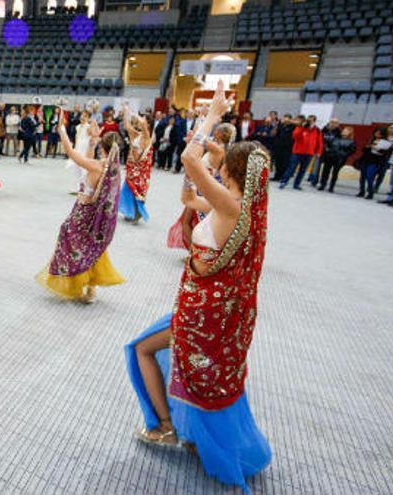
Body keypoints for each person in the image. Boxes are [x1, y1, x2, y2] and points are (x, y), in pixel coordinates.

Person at [125, 82, 272, 493]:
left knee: (140, 348)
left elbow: (188, 158)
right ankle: (190, 433)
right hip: (212, 316)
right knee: (199, 374)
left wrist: (213, 114)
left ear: (233, 169)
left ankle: (167, 428)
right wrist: (209, 163)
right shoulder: (243, 209)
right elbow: (190, 199)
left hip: (198, 317)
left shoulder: (229, 204)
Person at [37, 122, 124, 303]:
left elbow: (71, 153)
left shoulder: (97, 166)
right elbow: (89, 162)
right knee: (91, 246)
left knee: (70, 239)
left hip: (83, 212)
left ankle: (75, 283)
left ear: (104, 147)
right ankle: (91, 288)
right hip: (97, 217)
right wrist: (93, 142)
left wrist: (62, 130)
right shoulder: (114, 169)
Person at [167, 123, 236, 251]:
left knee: (188, 221)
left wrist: (206, 118)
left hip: (203, 187)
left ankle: (196, 253)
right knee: (190, 220)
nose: (214, 131)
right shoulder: (220, 148)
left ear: (219, 134)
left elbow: (197, 139)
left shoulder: (218, 149)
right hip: (204, 184)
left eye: (216, 130)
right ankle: (195, 252)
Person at [118, 105, 153, 224]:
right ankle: (129, 211)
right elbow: (127, 126)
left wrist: (132, 113)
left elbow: (143, 125)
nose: (141, 121)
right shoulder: (136, 135)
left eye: (145, 121)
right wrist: (126, 114)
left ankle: (137, 213)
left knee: (137, 191)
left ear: (148, 125)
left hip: (140, 171)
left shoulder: (148, 138)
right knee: (127, 189)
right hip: (132, 168)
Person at [279, 115, 322, 190]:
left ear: (314, 122)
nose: (309, 122)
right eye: (308, 120)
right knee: (291, 168)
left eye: (311, 121)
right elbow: (295, 136)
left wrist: (318, 152)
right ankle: (284, 182)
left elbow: (319, 142)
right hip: (297, 152)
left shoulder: (317, 130)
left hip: (309, 153)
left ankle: (297, 184)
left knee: (303, 170)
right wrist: (302, 127)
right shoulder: (300, 127)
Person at [356, 127, 393, 199]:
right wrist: (369, 146)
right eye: (376, 133)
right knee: (362, 176)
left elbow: (385, 153)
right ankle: (361, 191)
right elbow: (363, 149)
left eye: (379, 134)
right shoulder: (371, 139)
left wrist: (376, 148)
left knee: (370, 176)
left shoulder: (386, 142)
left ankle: (370, 192)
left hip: (375, 161)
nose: (377, 135)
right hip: (366, 159)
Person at [318, 125, 355, 193]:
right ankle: (322, 185)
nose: (344, 132)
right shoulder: (336, 138)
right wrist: (328, 150)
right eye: (344, 130)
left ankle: (331, 187)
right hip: (330, 156)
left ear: (350, 133)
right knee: (325, 171)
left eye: (346, 131)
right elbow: (328, 144)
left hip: (339, 159)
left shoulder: (351, 141)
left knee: (335, 173)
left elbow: (351, 151)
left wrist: (343, 154)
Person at [65, 110, 91, 193]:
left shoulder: (89, 127)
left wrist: (89, 152)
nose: (82, 117)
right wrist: (74, 149)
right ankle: (76, 187)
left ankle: (84, 187)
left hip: (85, 149)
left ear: (88, 118)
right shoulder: (78, 127)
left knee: (84, 169)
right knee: (75, 168)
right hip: (78, 148)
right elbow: (77, 139)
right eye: (82, 115)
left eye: (85, 116)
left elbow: (91, 139)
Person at [314, 118, 341, 186]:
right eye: (332, 122)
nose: (333, 124)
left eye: (335, 123)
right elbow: (319, 139)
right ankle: (314, 180)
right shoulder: (324, 130)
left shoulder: (339, 132)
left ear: (338, 124)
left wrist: (331, 148)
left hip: (331, 153)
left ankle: (323, 182)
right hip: (321, 150)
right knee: (317, 166)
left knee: (326, 168)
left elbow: (338, 143)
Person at [271, 113, 295, 181]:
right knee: (278, 162)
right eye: (284, 118)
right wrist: (276, 125)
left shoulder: (292, 126)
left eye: (286, 118)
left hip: (287, 148)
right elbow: (273, 133)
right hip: (278, 146)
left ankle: (283, 177)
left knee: (285, 163)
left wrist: (290, 121)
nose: (284, 119)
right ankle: (276, 176)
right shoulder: (280, 125)